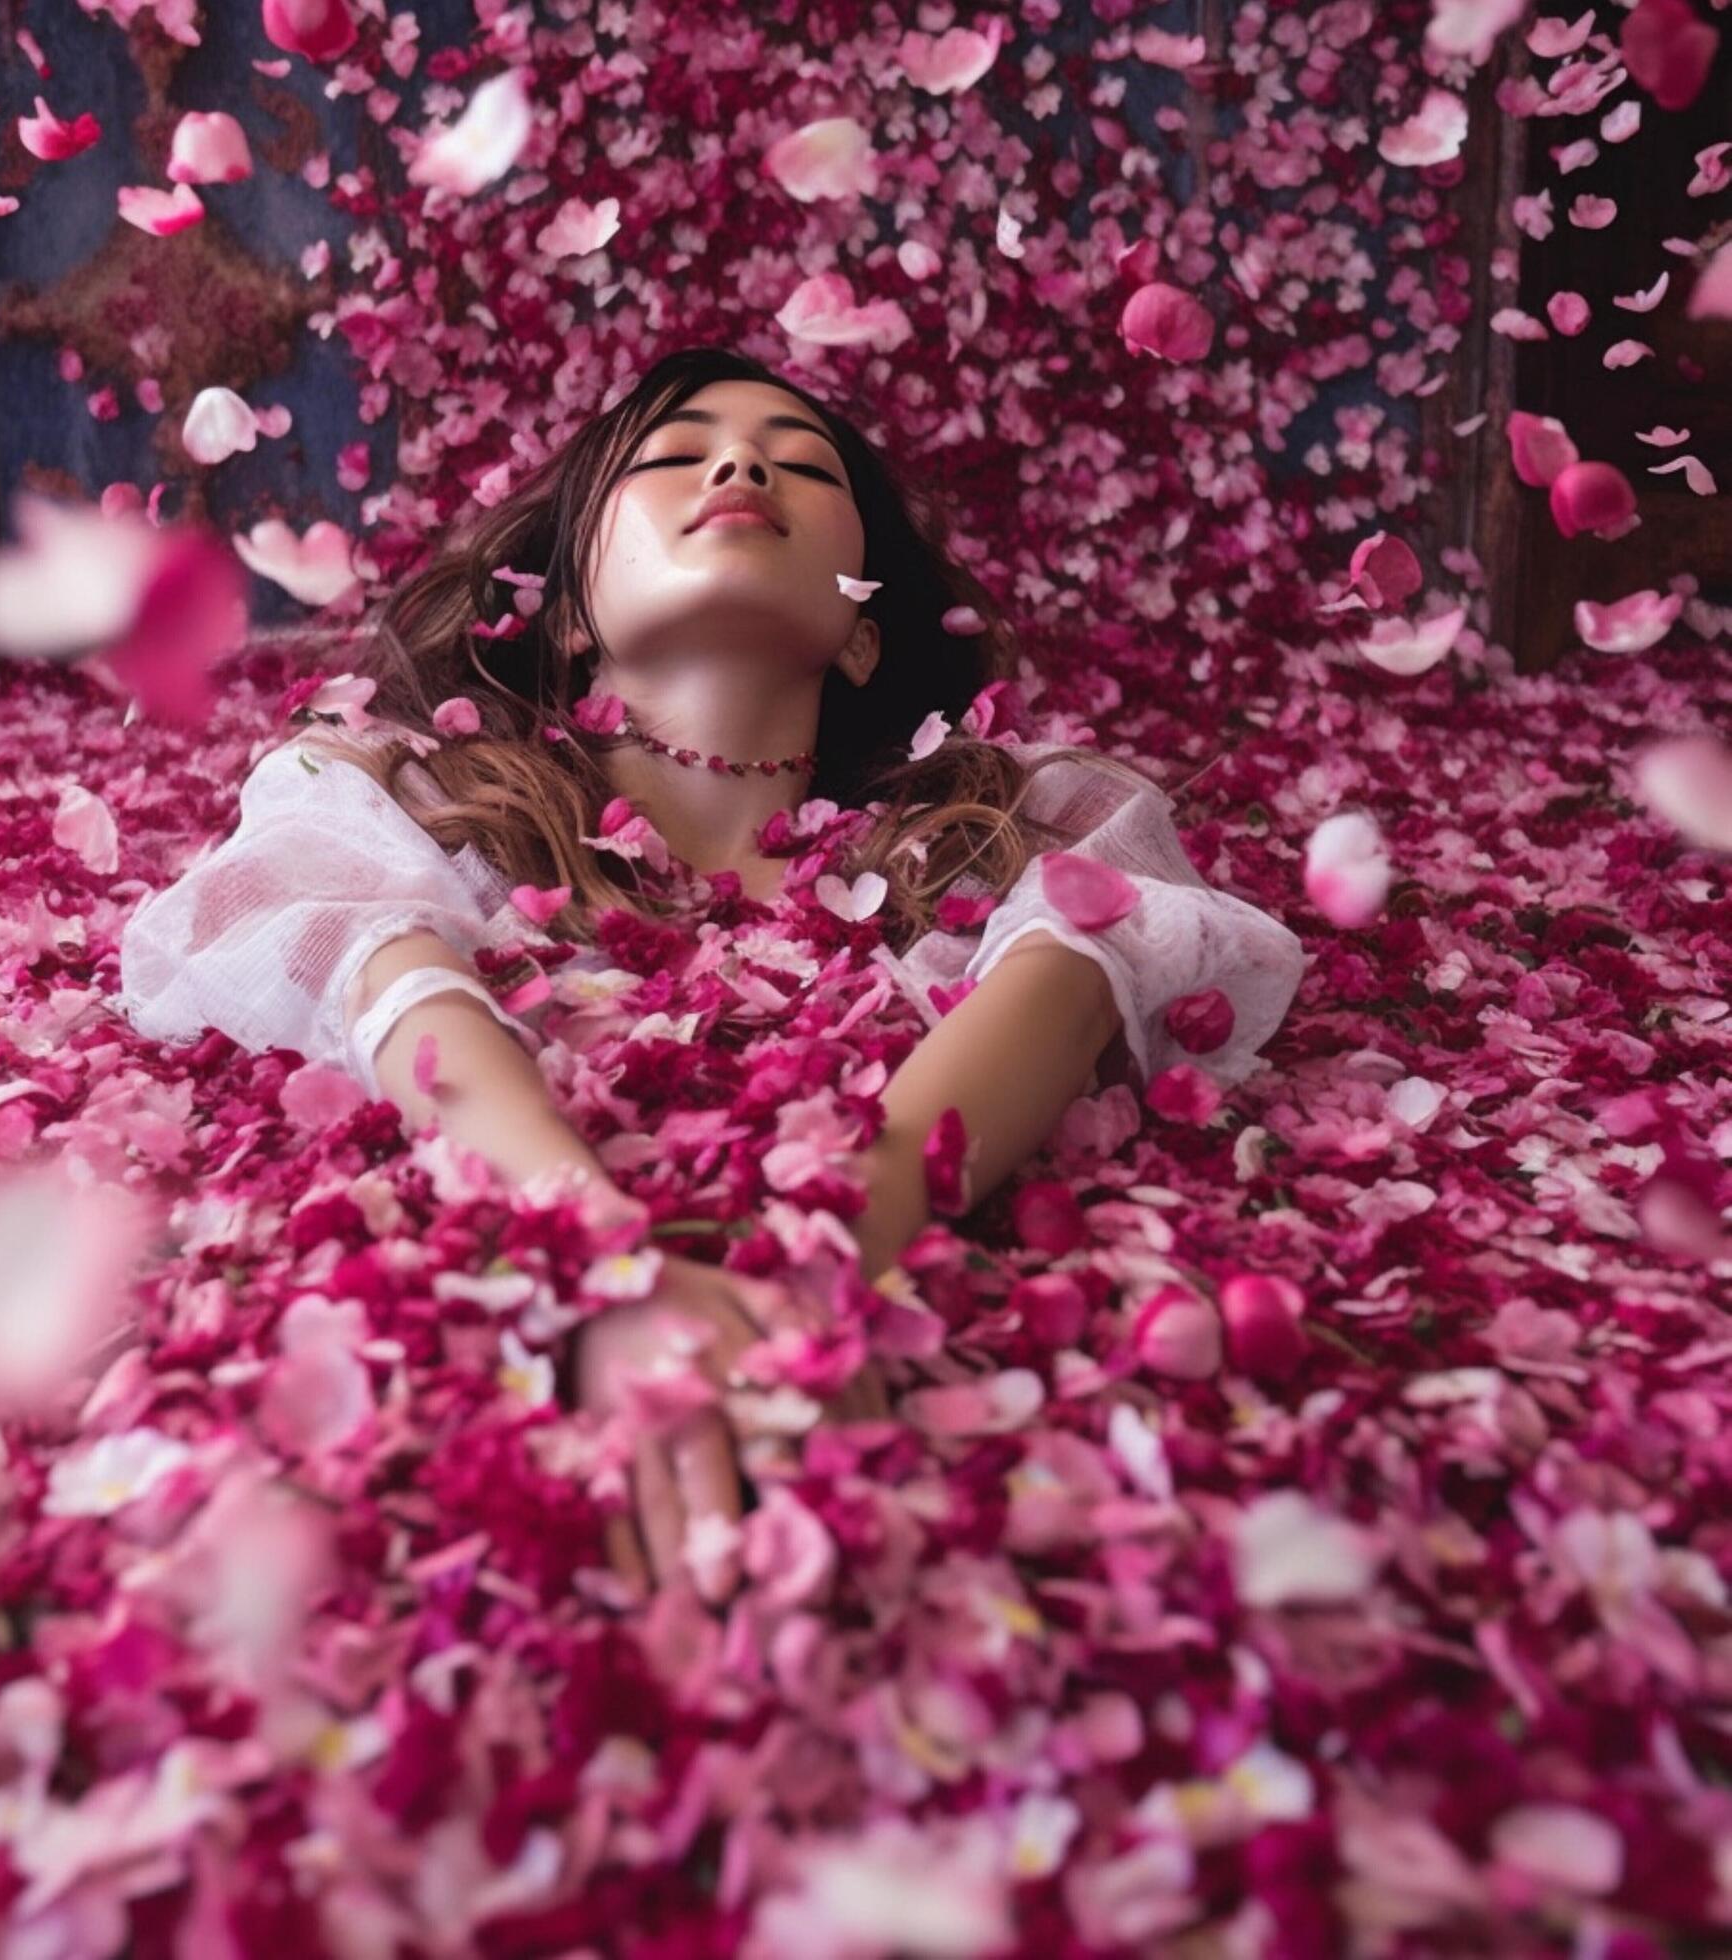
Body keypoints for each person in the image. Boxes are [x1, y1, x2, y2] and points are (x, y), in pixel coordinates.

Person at [116, 345, 1307, 1602]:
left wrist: (823, 1257)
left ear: (861, 632)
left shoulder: (1017, 818)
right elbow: (371, 964)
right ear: (570, 613)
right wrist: (598, 1258)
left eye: (800, 465)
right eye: (679, 455)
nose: (740, 464)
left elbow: (1078, 968)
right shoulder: (397, 790)